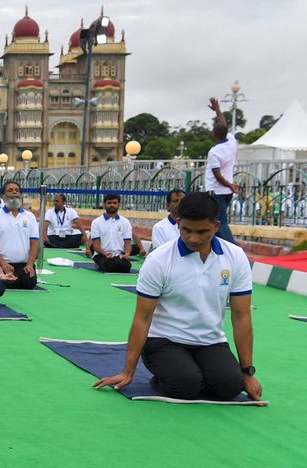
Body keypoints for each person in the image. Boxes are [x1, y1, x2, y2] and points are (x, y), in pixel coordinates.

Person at [94, 193, 261, 401]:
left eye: (202, 232)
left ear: (216, 226)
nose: (193, 238)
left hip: (210, 341)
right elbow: (142, 318)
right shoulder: (158, 260)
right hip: (163, 341)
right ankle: (172, 377)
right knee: (184, 385)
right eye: (186, 230)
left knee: (230, 385)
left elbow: (241, 316)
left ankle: (201, 374)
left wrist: (247, 372)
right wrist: (128, 372)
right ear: (179, 223)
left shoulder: (235, 257)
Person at [0, 181, 39, 289]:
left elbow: (34, 242)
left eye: (17, 190)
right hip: (1, 264)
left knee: (28, 283)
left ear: (21, 194)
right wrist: (3, 264)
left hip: (24, 265)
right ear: (3, 195)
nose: (14, 192)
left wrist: (30, 264)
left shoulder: (30, 216)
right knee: (5, 283)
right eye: (10, 190)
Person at [204, 97, 239, 244]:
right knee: (214, 220)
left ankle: (234, 249)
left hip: (216, 190)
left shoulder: (215, 152)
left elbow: (217, 175)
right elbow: (224, 124)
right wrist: (217, 110)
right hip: (226, 191)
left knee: (220, 221)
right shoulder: (232, 141)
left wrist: (229, 185)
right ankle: (219, 247)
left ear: (214, 134)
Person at [88, 193, 133, 273]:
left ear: (119, 204)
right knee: (110, 266)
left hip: (119, 255)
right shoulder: (96, 222)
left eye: (114, 203)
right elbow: (96, 245)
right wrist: (105, 253)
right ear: (104, 204)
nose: (112, 205)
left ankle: (102, 264)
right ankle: (98, 263)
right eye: (109, 203)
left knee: (126, 267)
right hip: (102, 255)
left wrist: (127, 254)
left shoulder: (125, 222)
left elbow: (128, 243)